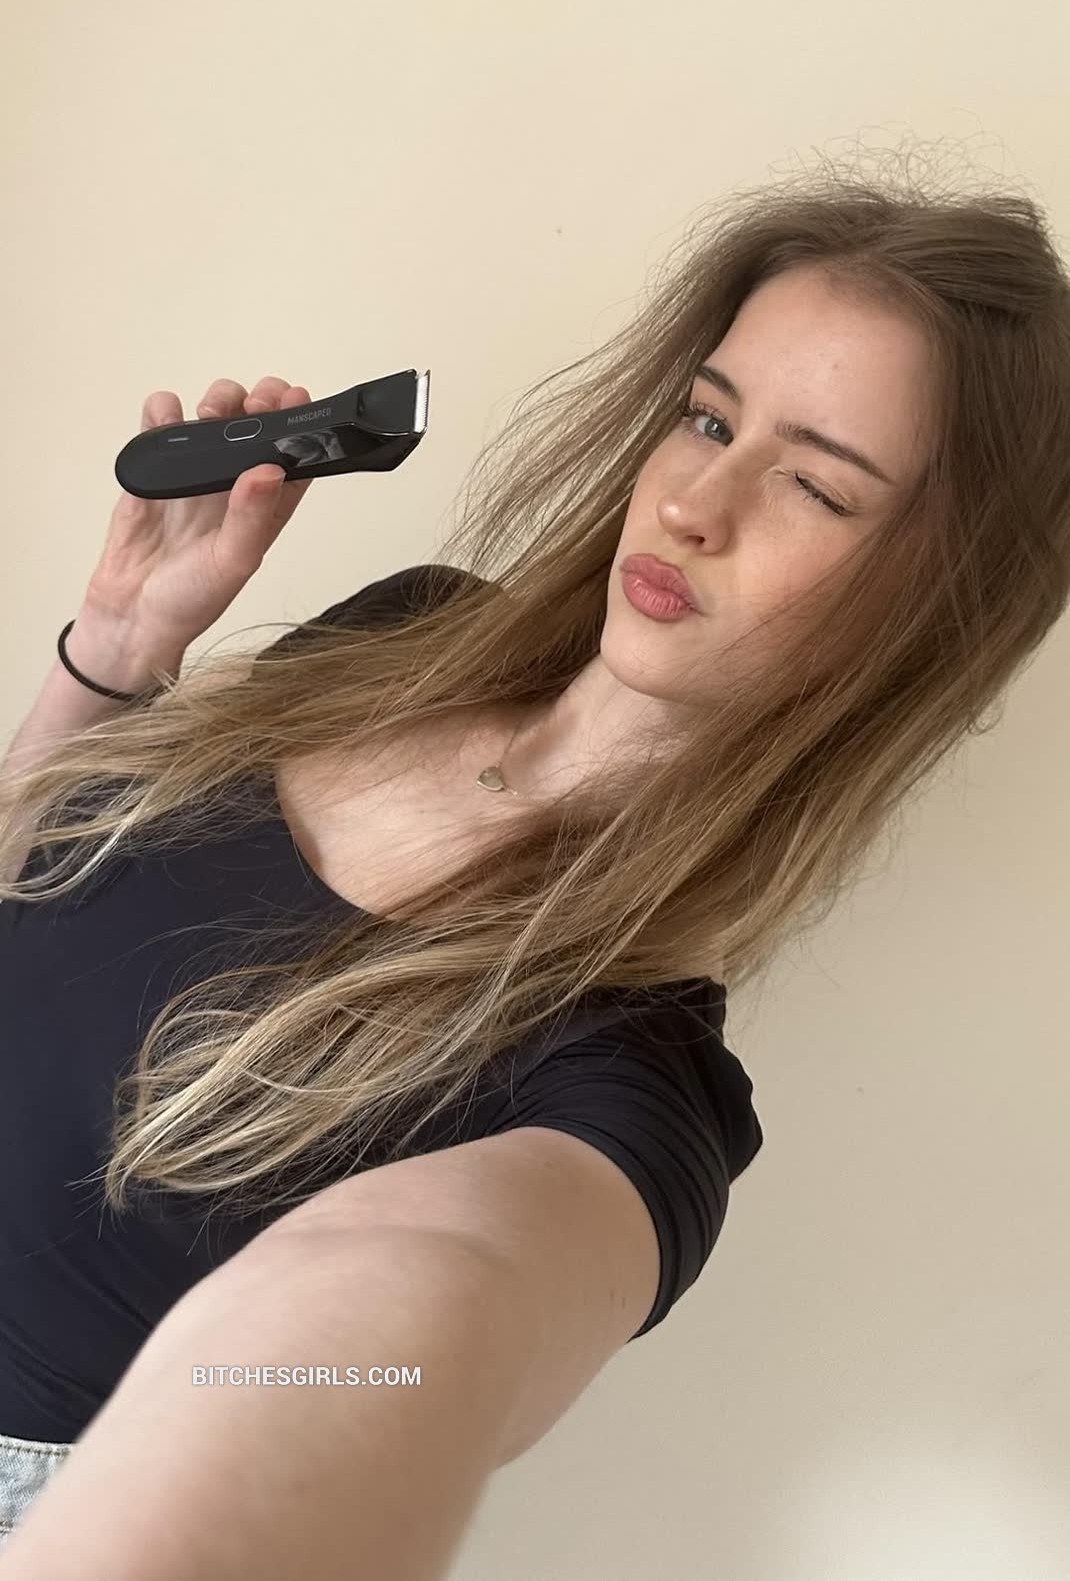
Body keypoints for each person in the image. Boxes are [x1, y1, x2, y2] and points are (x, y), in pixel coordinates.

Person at [1, 159, 1068, 1580]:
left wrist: (249, 1397)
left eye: (814, 485)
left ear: (932, 608)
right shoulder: (404, 637)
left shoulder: (632, 1082)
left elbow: (408, 1319)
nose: (694, 504)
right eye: (708, 419)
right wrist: (119, 651)